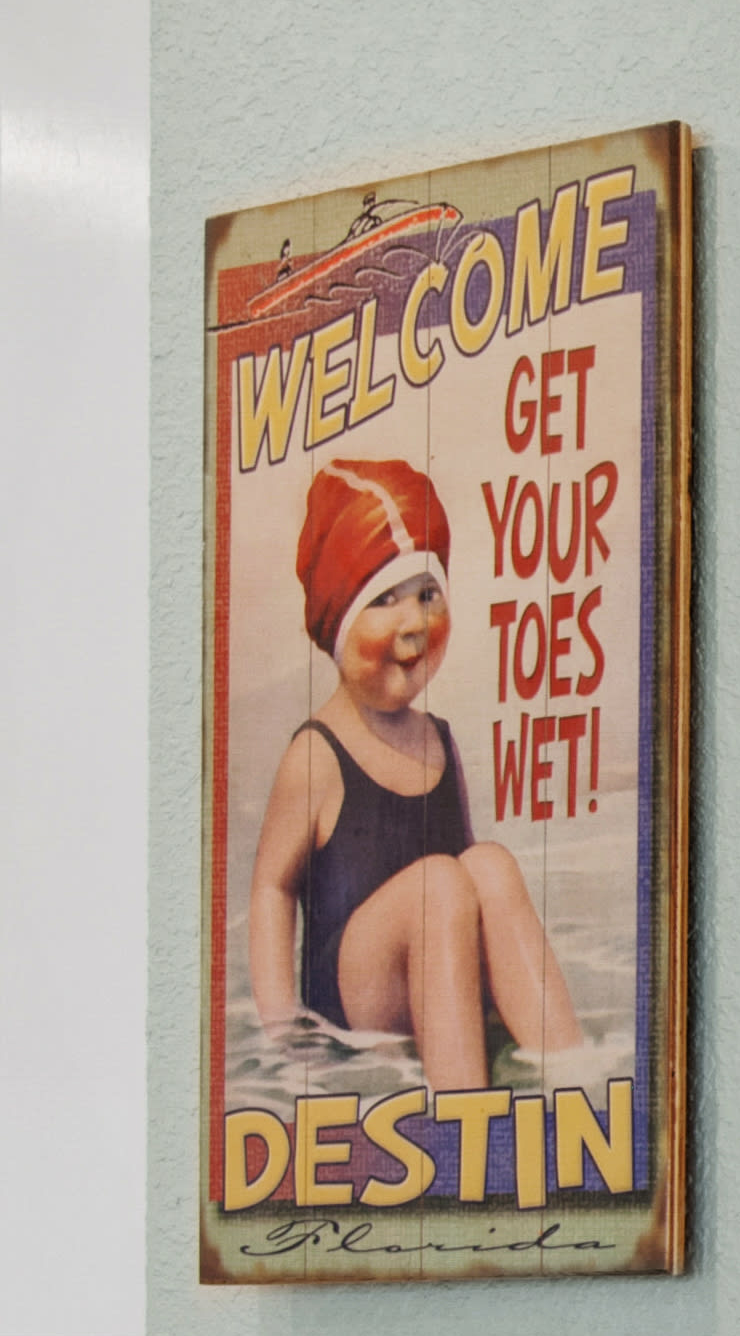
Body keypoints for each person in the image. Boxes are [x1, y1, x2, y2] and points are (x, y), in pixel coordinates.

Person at [245, 457, 585, 1094]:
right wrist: (282, 1029)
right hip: (356, 996)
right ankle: (463, 1106)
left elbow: (471, 899)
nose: (414, 622)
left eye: (428, 594)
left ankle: (574, 1073)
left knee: (488, 865)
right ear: (336, 625)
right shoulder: (318, 753)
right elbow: (272, 889)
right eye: (383, 600)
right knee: (439, 885)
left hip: (435, 967)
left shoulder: (440, 740)